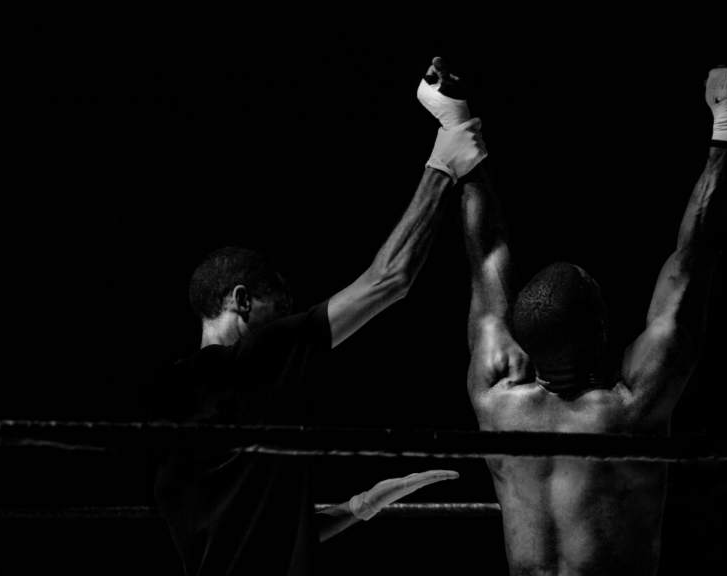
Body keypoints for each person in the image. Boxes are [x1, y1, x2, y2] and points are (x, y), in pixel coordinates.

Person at [149, 58, 487, 575]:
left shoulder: (176, 403)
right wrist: (446, 154)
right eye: (280, 310)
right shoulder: (255, 360)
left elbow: (254, 535)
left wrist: (357, 507)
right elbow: (387, 281)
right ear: (241, 302)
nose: (289, 322)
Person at [446, 56, 727, 575]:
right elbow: (695, 258)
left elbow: (486, 256)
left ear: (521, 340)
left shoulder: (494, 401)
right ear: (603, 330)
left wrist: (456, 123)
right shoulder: (630, 414)